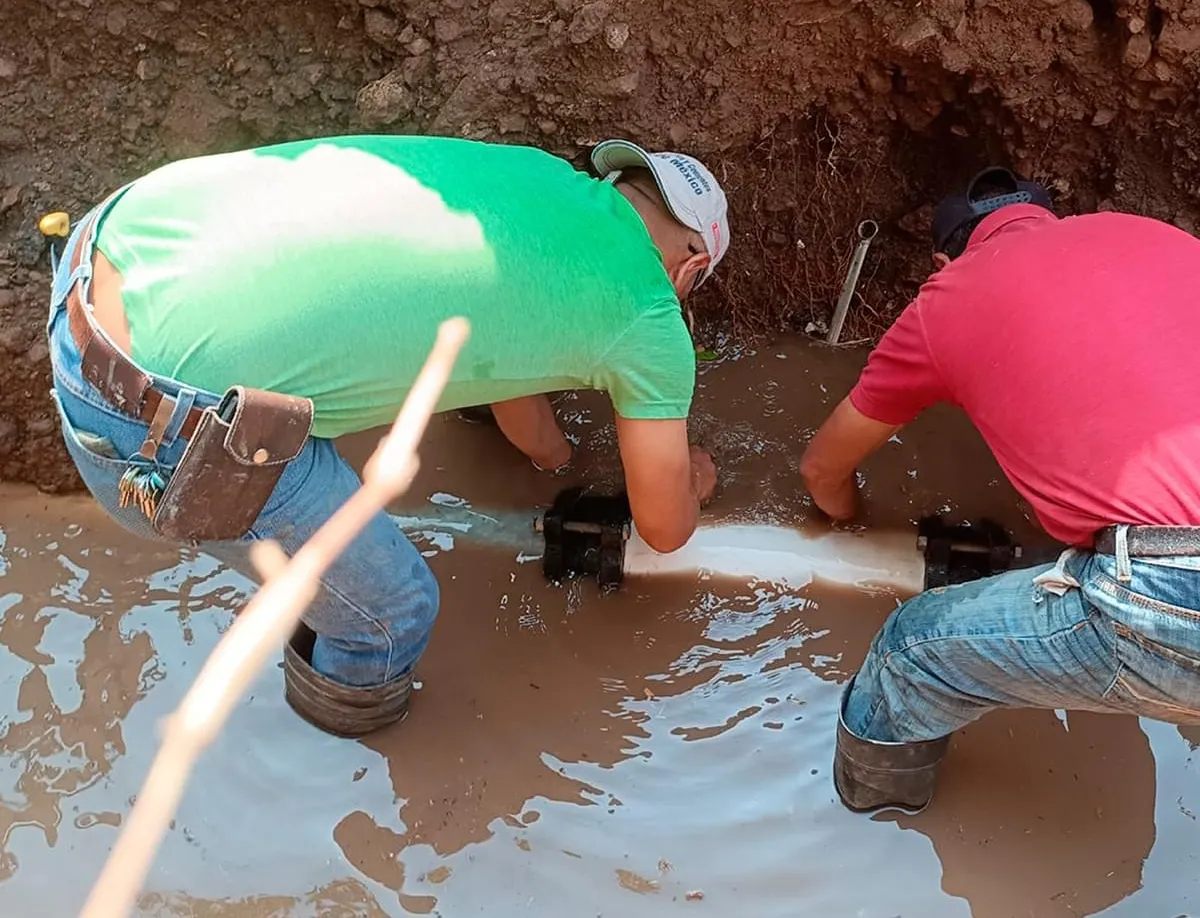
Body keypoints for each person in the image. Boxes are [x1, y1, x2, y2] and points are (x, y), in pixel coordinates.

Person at [44, 133, 728, 738]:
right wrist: (689, 478)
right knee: (395, 611)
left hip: (106, 242)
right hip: (147, 415)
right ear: (690, 268)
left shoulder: (540, 179)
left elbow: (507, 364)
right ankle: (325, 773)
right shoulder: (650, 318)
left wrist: (554, 456)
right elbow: (664, 528)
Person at [799, 166, 1200, 816]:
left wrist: (847, 523)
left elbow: (822, 470)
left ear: (940, 259)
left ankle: (870, 825)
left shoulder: (949, 297)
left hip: (1172, 596)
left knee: (910, 651)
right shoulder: (1157, 237)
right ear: (1051, 218)